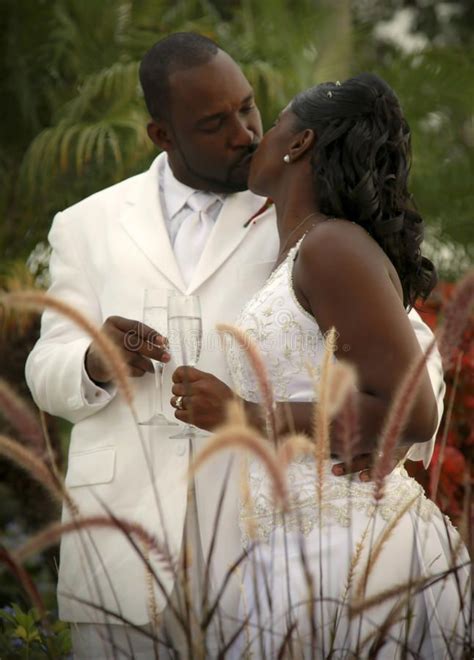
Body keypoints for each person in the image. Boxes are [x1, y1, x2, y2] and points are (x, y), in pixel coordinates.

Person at [25, 31, 445, 658]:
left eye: (250, 108)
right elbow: (45, 367)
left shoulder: (298, 209)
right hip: (122, 545)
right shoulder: (86, 225)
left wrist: (376, 441)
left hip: (266, 545)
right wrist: (94, 359)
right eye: (214, 122)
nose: (245, 133)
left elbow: (413, 358)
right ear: (162, 135)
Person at [178, 73, 470, 658]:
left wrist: (243, 414)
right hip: (297, 549)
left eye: (275, 117)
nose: (257, 133)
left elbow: (410, 411)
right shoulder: (307, 249)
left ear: (300, 142)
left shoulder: (331, 245)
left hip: (351, 549)